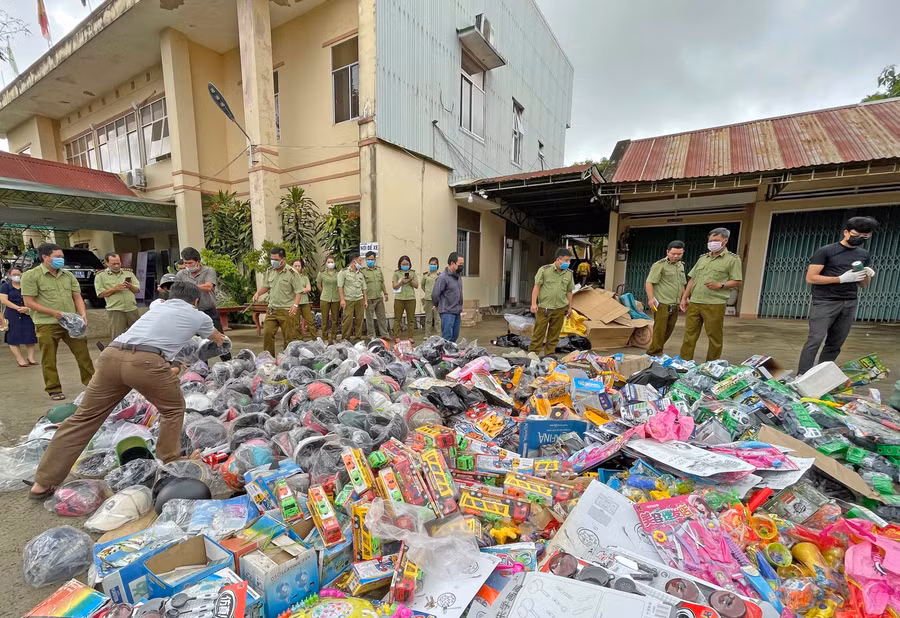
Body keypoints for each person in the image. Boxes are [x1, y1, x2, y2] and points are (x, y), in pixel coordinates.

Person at [28, 281, 225, 498]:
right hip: (147, 362)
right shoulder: (199, 316)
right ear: (196, 301)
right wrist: (221, 343)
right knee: (173, 409)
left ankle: (43, 483)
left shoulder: (158, 307)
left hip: (111, 356)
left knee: (83, 418)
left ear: (171, 296)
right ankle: (170, 462)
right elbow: (218, 341)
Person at [798, 216, 878, 374]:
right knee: (815, 339)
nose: (860, 239)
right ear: (846, 232)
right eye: (856, 235)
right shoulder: (826, 251)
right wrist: (840, 279)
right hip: (825, 302)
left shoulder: (863, 254)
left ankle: (820, 376)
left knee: (835, 343)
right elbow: (811, 277)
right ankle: (802, 375)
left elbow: (863, 284)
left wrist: (867, 273)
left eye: (865, 237)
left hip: (849, 302)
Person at [21, 243, 95, 401]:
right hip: (46, 323)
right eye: (57, 257)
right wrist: (53, 313)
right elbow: (28, 302)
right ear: (45, 257)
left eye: (62, 257)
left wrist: (82, 314)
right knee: (49, 358)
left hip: (71, 322)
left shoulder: (68, 275)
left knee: (83, 354)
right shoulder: (31, 275)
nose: (61, 259)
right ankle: (54, 389)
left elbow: (77, 297)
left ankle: (92, 384)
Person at [679, 228, 743, 362]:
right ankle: (684, 362)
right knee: (689, 335)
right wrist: (684, 297)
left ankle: (711, 365)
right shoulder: (703, 259)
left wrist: (721, 285)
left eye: (716, 240)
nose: (712, 243)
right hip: (695, 302)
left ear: (725, 241)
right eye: (710, 241)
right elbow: (693, 279)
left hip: (715, 303)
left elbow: (737, 281)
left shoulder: (732, 259)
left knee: (714, 337)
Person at [176, 247, 231, 361]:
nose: (187, 265)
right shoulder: (181, 274)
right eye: (185, 263)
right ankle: (201, 369)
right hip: (191, 313)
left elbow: (208, 286)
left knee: (219, 338)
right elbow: (176, 290)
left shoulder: (208, 271)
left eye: (190, 263)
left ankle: (229, 363)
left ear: (198, 262)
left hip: (209, 311)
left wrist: (189, 287)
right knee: (196, 343)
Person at [252, 247, 304, 356]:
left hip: (286, 310)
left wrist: (295, 305)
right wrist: (258, 293)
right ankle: (268, 358)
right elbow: (266, 286)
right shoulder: (269, 271)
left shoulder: (292, 273)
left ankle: (287, 358)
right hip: (272, 309)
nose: (273, 261)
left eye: (276, 259)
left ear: (283, 260)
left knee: (288, 337)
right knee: (267, 333)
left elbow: (299, 291)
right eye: (272, 259)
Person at [529, 248, 575, 357]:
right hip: (544, 308)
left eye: (569, 261)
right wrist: (533, 303)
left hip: (560, 308)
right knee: (538, 333)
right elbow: (537, 287)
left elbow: (569, 292)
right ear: (558, 260)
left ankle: (549, 355)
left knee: (554, 334)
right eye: (566, 260)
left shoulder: (568, 274)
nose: (568, 263)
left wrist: (570, 308)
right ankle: (533, 355)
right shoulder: (544, 270)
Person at [645, 241, 687, 356]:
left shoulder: (680, 265)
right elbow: (649, 282)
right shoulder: (660, 265)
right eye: (673, 253)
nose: (676, 256)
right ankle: (654, 352)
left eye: (679, 254)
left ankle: (656, 349)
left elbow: (682, 284)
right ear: (667, 252)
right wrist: (650, 298)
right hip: (662, 303)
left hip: (675, 303)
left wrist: (684, 299)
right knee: (660, 330)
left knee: (669, 330)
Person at [94, 252, 141, 339]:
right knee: (117, 337)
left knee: (138, 336)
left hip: (132, 309)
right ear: (106, 263)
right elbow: (100, 294)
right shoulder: (100, 276)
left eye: (118, 263)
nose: (116, 266)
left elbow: (137, 290)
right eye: (113, 264)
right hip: (116, 310)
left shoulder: (128, 273)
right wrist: (114, 289)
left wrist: (130, 286)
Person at [0, 267, 37, 367]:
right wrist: (18, 308)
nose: (16, 276)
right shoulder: (5, 286)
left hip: (27, 313)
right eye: (14, 274)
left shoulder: (27, 285)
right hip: (12, 313)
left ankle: (31, 357)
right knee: (13, 337)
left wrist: (27, 309)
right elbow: (4, 300)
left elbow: (34, 298)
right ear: (9, 275)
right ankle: (20, 359)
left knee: (30, 335)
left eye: (18, 274)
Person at [432, 252, 465, 343]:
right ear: (452, 263)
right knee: (447, 336)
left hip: (457, 311)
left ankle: (451, 353)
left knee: (455, 335)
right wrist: (436, 304)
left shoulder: (458, 277)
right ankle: (444, 355)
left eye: (463, 264)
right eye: (460, 264)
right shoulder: (443, 277)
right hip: (447, 311)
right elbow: (435, 293)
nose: (462, 266)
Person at [338, 253, 367, 342]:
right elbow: (340, 286)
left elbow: (364, 288)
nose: (361, 262)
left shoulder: (360, 273)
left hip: (359, 299)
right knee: (347, 319)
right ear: (354, 261)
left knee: (360, 319)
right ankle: (345, 339)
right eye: (359, 261)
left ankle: (358, 338)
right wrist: (342, 299)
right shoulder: (343, 272)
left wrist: (365, 300)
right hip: (348, 299)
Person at [363, 251, 389, 338]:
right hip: (369, 298)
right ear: (366, 260)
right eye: (368, 259)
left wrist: (385, 293)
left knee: (382, 317)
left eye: (372, 259)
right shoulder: (363, 271)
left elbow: (382, 282)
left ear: (375, 260)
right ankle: (371, 335)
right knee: (369, 319)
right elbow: (362, 286)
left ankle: (385, 335)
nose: (370, 261)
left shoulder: (378, 270)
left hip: (379, 297)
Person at [291, 258, 319, 341]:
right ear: (292, 267)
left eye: (299, 266)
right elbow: (290, 290)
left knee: (310, 321)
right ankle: (300, 339)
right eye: (295, 266)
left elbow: (309, 288)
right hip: (294, 303)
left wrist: (298, 290)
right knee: (296, 323)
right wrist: (302, 289)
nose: (297, 267)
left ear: (301, 267)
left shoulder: (305, 277)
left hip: (305, 302)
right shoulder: (290, 277)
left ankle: (315, 338)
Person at [392, 255, 419, 341]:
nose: (405, 265)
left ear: (409, 264)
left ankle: (410, 337)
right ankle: (397, 336)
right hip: (399, 298)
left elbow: (417, 286)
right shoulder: (396, 273)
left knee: (411, 319)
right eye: (403, 264)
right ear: (400, 264)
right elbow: (394, 286)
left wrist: (410, 280)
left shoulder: (413, 273)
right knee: (397, 318)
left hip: (410, 298)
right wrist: (401, 282)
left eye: (407, 264)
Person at [317, 256, 341, 344]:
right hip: (325, 298)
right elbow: (318, 284)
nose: (330, 263)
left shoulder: (338, 274)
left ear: (334, 263)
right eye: (328, 262)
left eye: (332, 262)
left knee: (335, 319)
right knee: (324, 319)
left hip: (335, 298)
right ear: (326, 263)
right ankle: (325, 337)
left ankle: (333, 337)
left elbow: (340, 285)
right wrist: (323, 291)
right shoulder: (321, 273)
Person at [420, 257, 440, 337]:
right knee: (428, 318)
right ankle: (427, 335)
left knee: (437, 318)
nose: (433, 265)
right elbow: (422, 285)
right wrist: (427, 292)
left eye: (434, 264)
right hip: (428, 299)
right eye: (431, 264)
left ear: (437, 265)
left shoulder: (440, 275)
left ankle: (439, 334)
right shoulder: (425, 275)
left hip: (438, 300)